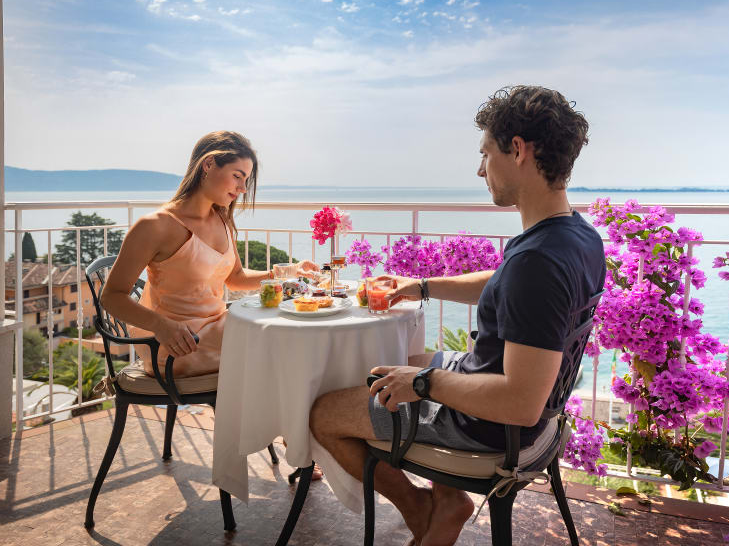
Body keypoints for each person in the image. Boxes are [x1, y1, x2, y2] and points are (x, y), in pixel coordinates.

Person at [310, 85, 606, 545]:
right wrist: (422, 286)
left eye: (485, 154)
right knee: (409, 360)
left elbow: (520, 402)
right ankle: (448, 501)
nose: (480, 169)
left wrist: (423, 384)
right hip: (518, 409)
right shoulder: (575, 236)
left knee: (323, 413)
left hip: (490, 425)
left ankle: (421, 509)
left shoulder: (538, 261)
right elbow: (504, 282)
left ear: (518, 150)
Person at [101, 130, 319, 378]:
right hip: (180, 344)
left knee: (290, 329)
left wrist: (287, 272)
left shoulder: (222, 219)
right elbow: (111, 297)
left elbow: (235, 278)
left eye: (246, 180)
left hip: (216, 331)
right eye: (237, 176)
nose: (242, 188)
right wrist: (161, 326)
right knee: (283, 343)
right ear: (208, 164)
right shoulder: (155, 226)